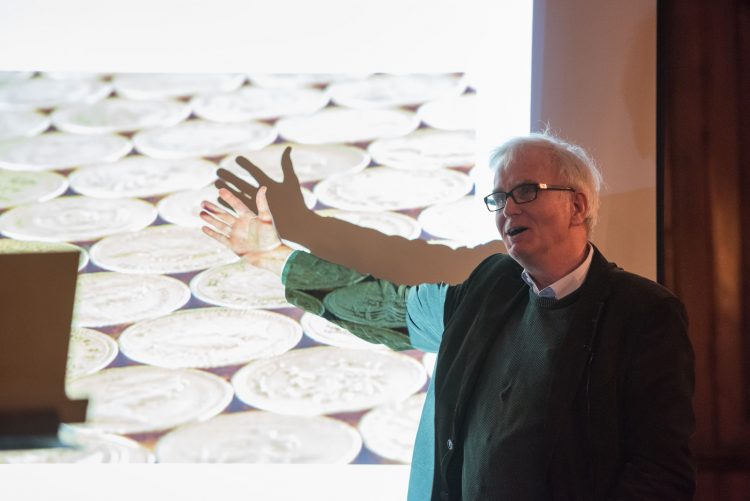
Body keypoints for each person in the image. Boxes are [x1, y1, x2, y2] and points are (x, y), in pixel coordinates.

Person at [200, 133, 695, 500]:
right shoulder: (487, 289)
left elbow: (659, 474)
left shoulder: (642, 313)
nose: (506, 210)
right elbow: (387, 308)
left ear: (577, 206)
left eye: (524, 191)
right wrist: (272, 256)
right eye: (498, 199)